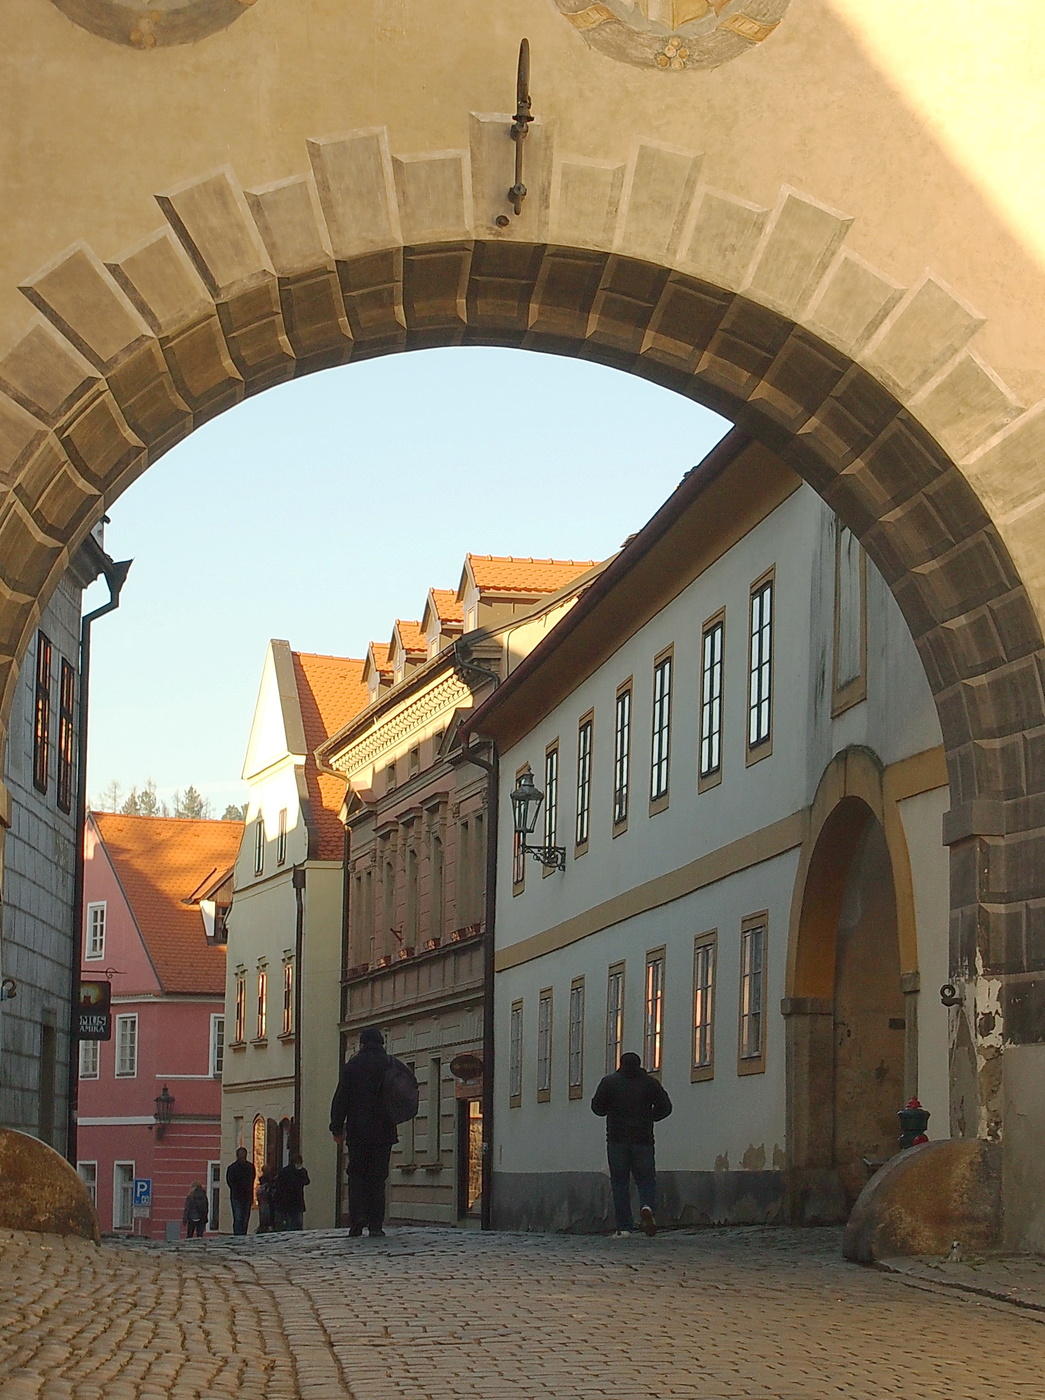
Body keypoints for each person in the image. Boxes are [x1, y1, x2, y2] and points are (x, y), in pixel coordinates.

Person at [329, 1026, 402, 1237]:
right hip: (384, 1131)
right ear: (381, 1043)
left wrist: (336, 1127)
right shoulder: (389, 1064)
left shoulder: (353, 1065)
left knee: (357, 1175)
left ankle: (357, 1219)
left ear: (362, 1043)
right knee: (378, 1178)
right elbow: (400, 1094)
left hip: (358, 1131)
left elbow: (341, 1097)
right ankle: (376, 1224)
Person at [591, 1051, 672, 1238]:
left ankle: (624, 1227)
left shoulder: (609, 1082)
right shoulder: (650, 1083)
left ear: (620, 1064)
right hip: (643, 1140)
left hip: (617, 1140)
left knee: (620, 1183)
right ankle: (647, 1206)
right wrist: (651, 1118)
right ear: (639, 1064)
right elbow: (666, 1107)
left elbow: (597, 1108)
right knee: (646, 1180)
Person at [274, 1154, 310, 1231]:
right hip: (291, 1199)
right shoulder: (287, 1172)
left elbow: (306, 1181)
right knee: (294, 1221)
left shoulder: (300, 1171)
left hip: (292, 1200)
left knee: (294, 1221)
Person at [225, 1146, 256, 1236]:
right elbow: (230, 1181)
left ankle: (243, 1234)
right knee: (238, 1218)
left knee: (245, 1218)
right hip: (237, 1196)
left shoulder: (250, 1167)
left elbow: (252, 1179)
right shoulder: (232, 1168)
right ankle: (238, 1235)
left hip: (246, 1196)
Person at [256, 1164, 277, 1233]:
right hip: (266, 1200)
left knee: (266, 1214)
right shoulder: (266, 1180)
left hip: (269, 1201)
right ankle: (266, 1227)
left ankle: (266, 1227)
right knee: (266, 1214)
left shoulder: (269, 1180)